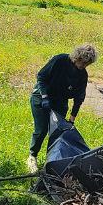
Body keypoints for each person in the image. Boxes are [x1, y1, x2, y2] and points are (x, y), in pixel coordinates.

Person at [26, 43, 98, 173]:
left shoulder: (82, 75)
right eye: (83, 62)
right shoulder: (60, 60)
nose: (84, 66)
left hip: (60, 101)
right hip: (41, 96)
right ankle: (32, 156)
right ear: (77, 57)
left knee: (58, 132)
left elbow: (79, 98)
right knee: (41, 130)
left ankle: (51, 162)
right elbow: (41, 77)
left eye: (87, 64)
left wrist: (72, 119)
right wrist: (44, 97)